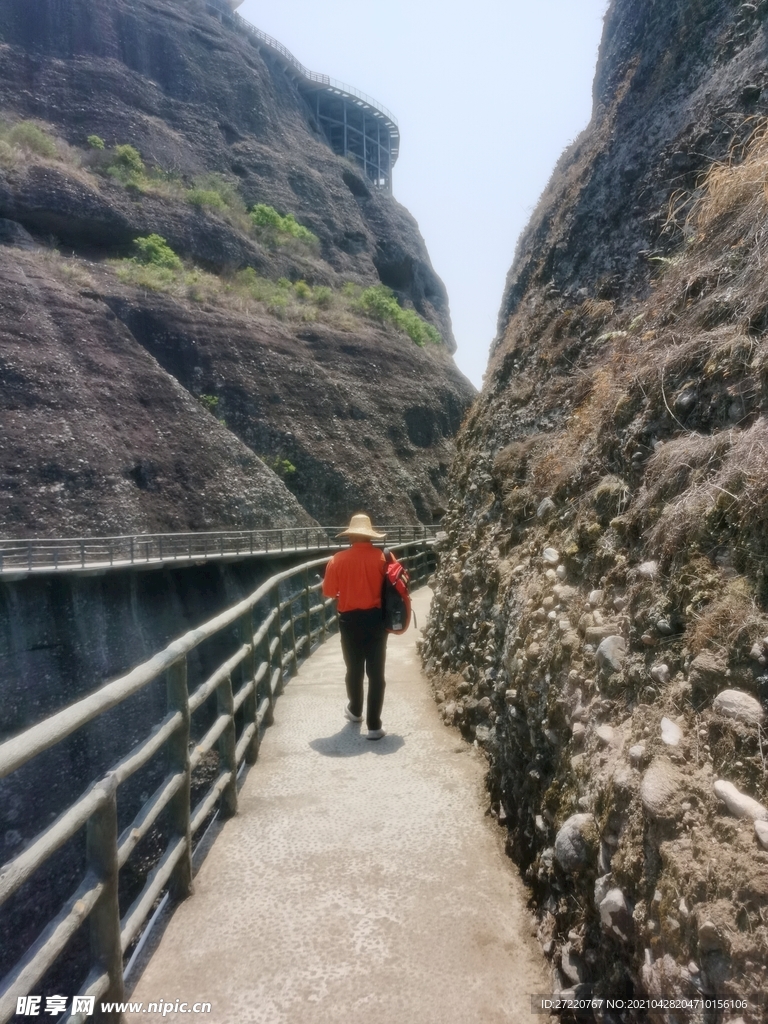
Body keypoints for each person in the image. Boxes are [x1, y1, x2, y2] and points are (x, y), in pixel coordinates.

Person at [322, 513, 388, 739]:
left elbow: (329, 592)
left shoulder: (337, 559)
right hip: (377, 619)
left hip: (349, 621)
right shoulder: (381, 557)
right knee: (376, 673)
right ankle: (374, 726)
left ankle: (355, 710)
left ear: (351, 537)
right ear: (369, 536)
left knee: (354, 669)